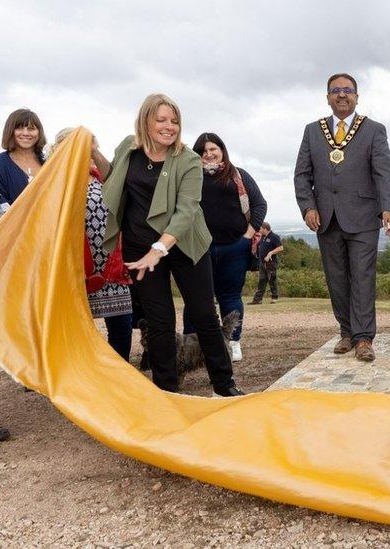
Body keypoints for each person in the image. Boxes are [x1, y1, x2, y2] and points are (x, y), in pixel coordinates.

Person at [100, 93, 243, 397]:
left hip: (185, 245)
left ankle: (224, 385)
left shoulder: (188, 159)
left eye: (174, 121)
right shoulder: (128, 147)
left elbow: (186, 210)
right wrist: (87, 149)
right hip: (141, 249)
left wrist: (159, 248)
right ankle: (166, 392)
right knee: (159, 321)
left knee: (204, 314)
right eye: (161, 120)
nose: (169, 127)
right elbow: (113, 178)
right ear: (145, 121)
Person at [294, 73, 390, 362]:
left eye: (348, 90)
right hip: (325, 218)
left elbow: (383, 173)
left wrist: (387, 208)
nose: (342, 95)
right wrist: (308, 207)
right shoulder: (312, 131)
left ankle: (364, 338)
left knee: (363, 277)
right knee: (336, 278)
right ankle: (347, 332)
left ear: (357, 96)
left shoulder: (374, 130)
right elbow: (302, 175)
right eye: (336, 90)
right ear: (327, 97)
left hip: (364, 217)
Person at [50, 128, 136, 360]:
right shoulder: (54, 180)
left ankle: (119, 371)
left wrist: (93, 150)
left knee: (121, 323)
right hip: (76, 265)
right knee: (76, 325)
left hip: (111, 261)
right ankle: (82, 373)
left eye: (88, 144)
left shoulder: (103, 175)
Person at [181, 133, 267, 362]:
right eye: (203, 151)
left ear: (222, 150)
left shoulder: (238, 175)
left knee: (230, 296)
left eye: (213, 149)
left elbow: (259, 204)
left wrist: (247, 236)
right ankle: (190, 345)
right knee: (197, 299)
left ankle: (232, 343)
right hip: (199, 248)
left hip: (234, 247)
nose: (208, 154)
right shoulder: (189, 176)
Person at [0, 108, 46, 206]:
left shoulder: (49, 161)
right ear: (10, 131)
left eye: (31, 128)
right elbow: (0, 207)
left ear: (39, 132)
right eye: (19, 128)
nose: (25, 133)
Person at [250, 222, 283, 304]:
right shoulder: (263, 237)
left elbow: (281, 248)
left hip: (271, 263)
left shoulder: (274, 237)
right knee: (262, 280)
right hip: (261, 262)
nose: (259, 230)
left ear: (265, 228)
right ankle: (257, 300)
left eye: (261, 228)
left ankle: (274, 297)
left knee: (272, 279)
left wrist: (270, 253)